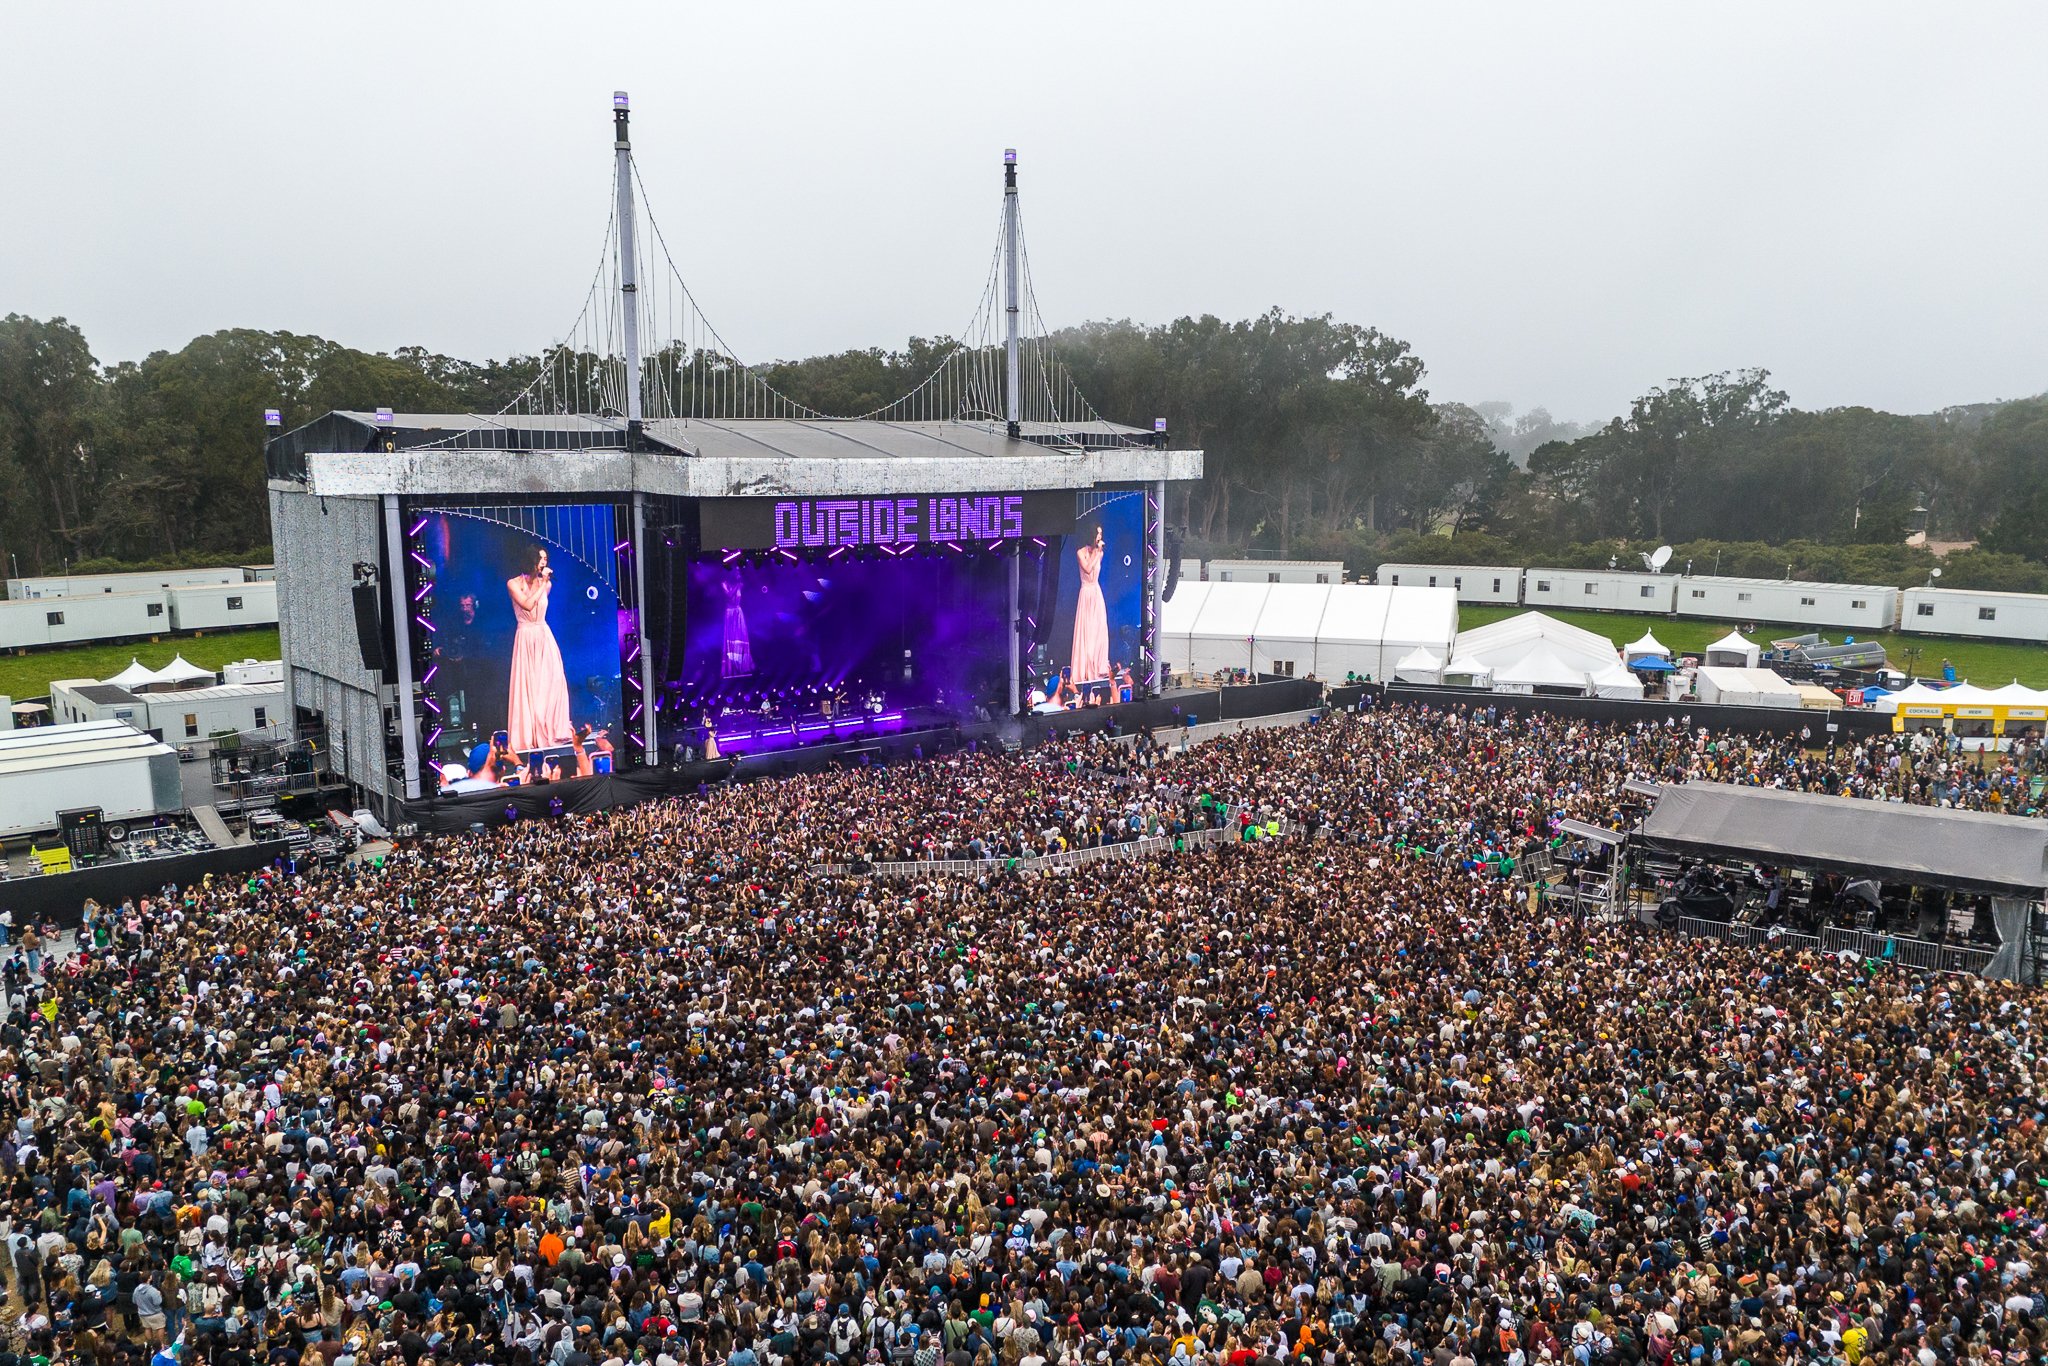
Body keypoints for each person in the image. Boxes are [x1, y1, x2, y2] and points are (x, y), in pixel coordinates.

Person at [505, 544, 573, 752]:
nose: (544, 562)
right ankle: (529, 736)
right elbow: (527, 605)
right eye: (541, 558)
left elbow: (540, 607)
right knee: (529, 687)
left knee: (552, 683)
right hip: (525, 635)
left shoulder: (547, 585)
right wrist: (543, 584)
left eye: (546, 558)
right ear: (531, 559)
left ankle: (551, 730)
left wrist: (544, 584)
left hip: (543, 635)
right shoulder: (513, 583)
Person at [1069, 524, 1111, 692]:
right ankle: (1084, 672)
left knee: (1099, 632)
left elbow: (1096, 570)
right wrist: (1096, 553)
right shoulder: (1080, 552)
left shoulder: (1099, 553)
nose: (1100, 538)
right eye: (1098, 534)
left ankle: (1098, 668)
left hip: (1096, 593)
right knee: (1086, 635)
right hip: (1086, 594)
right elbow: (1087, 569)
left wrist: (1099, 552)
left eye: (1101, 534)